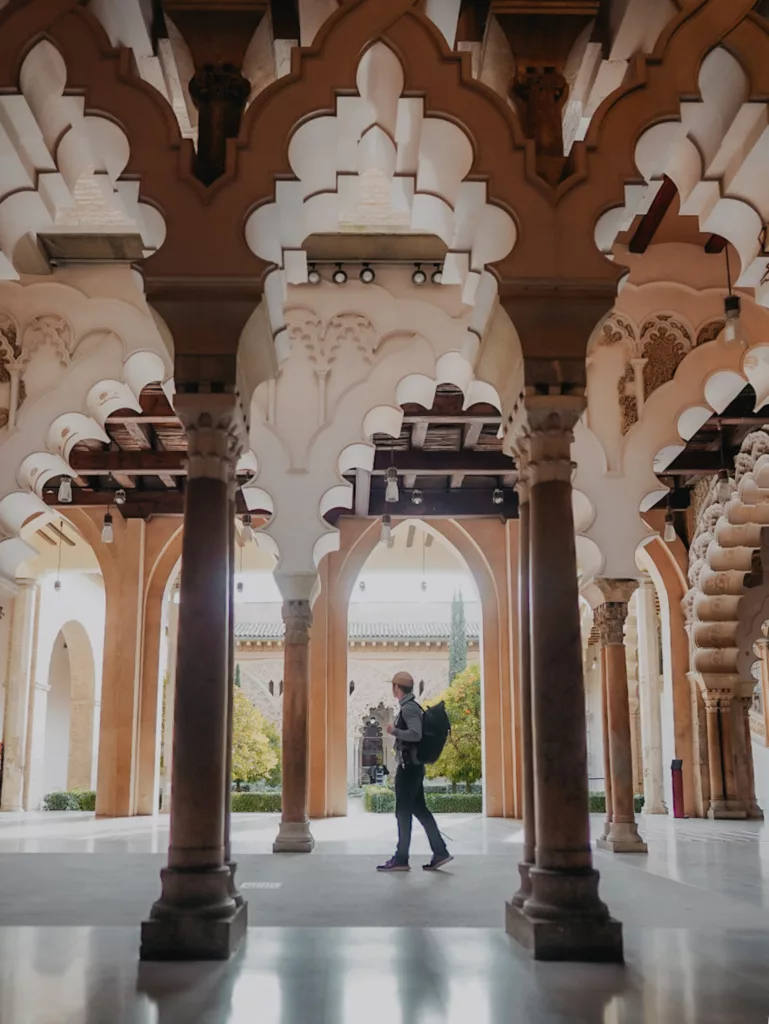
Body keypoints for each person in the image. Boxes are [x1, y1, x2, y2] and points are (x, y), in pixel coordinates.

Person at [377, 671, 453, 872]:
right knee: (419, 809)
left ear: (396, 688)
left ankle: (401, 858)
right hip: (414, 767)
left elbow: (415, 733)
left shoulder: (409, 708)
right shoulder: (411, 706)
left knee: (403, 812)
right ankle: (440, 851)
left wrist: (395, 732)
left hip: (409, 768)